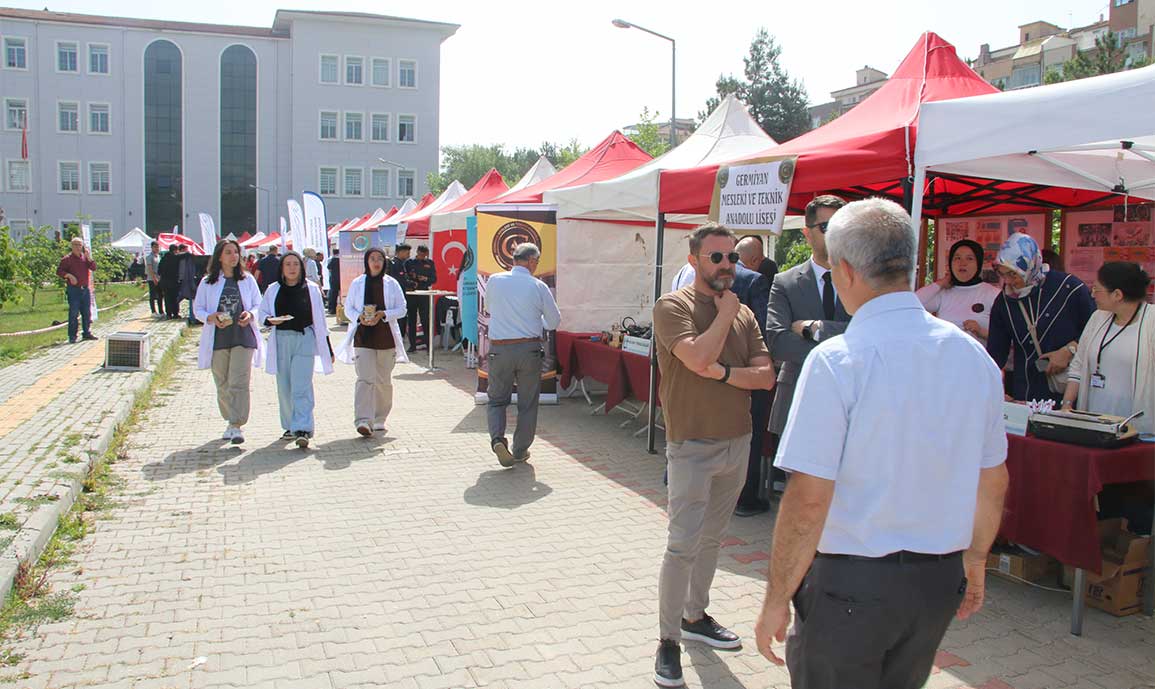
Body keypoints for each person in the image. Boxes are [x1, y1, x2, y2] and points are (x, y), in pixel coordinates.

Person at [754, 198, 1009, 689]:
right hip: (935, 580)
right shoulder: (971, 356)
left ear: (845, 270)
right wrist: (975, 558)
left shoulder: (837, 360)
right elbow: (992, 480)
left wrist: (776, 598)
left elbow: (808, 498)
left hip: (851, 585)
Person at [650, 223, 775, 688]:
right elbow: (696, 357)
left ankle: (695, 616)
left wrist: (722, 373)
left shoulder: (744, 313)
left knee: (711, 541)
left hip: (737, 441)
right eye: (716, 257)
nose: (726, 265)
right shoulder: (673, 307)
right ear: (694, 260)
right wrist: (724, 317)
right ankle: (667, 640)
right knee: (682, 545)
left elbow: (765, 376)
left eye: (732, 258)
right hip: (691, 444)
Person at [765, 195, 852, 494]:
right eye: (826, 226)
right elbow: (778, 341)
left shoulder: (863, 278)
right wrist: (846, 346)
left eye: (842, 225)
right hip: (799, 397)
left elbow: (872, 331)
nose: (836, 233)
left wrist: (814, 329)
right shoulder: (785, 282)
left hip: (852, 401)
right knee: (802, 498)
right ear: (807, 233)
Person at [986, 233, 1095, 402]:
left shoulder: (1068, 288)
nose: (1008, 281)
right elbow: (996, 352)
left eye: (1013, 273)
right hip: (1027, 388)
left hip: (1071, 386)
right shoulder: (1004, 301)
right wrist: (991, 388)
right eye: (1002, 273)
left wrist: (1069, 350)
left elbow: (1095, 329)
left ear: (1031, 265)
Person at [484, 243, 562, 467]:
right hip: (529, 349)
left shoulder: (495, 280)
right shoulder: (538, 286)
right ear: (531, 261)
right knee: (527, 403)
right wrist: (539, 321)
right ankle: (520, 450)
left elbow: (489, 308)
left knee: (497, 400)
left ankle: (498, 439)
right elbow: (554, 321)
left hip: (500, 349)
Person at [1062, 262, 1153, 433]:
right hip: (1094, 424)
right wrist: (1067, 404)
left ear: (1117, 294)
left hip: (1136, 429)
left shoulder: (1151, 322)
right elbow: (1078, 366)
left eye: (1097, 289)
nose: (1092, 294)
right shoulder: (1098, 317)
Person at [259, 251, 333, 448]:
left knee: (302, 385)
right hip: (281, 339)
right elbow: (262, 313)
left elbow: (321, 321)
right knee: (284, 386)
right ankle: (289, 425)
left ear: (301, 267)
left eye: (295, 264)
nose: (292, 268)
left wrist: (327, 346)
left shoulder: (311, 289)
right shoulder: (273, 289)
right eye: (288, 264)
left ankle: (303, 427)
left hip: (304, 338)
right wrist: (269, 320)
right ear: (282, 268)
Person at [192, 240, 263, 444]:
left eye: (236, 252)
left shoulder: (247, 279)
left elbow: (259, 304)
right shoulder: (208, 282)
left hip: (243, 336)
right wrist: (210, 317)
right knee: (222, 382)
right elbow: (198, 309)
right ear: (219, 257)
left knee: (238, 381)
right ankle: (230, 418)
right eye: (229, 252)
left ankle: (236, 424)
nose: (234, 256)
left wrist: (250, 314)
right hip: (218, 338)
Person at [338, 247, 408, 437]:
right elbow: (348, 308)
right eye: (372, 259)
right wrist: (359, 317)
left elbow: (402, 309)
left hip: (385, 337)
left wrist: (384, 314)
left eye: (379, 259)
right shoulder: (357, 283)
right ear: (367, 262)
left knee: (383, 380)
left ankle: (379, 417)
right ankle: (363, 420)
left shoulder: (392, 283)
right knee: (365, 379)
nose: (376, 262)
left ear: (384, 262)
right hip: (363, 337)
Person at [915, 239, 1001, 342]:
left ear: (979, 263)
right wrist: (941, 283)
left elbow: (1006, 338)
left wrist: (981, 332)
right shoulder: (943, 293)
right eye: (957, 258)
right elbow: (914, 303)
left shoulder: (993, 294)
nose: (962, 263)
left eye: (969, 258)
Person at [56, 237, 98, 343]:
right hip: (74, 290)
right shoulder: (67, 259)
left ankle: (86, 333)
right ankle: (72, 336)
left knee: (86, 312)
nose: (78, 247)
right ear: (71, 246)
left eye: (79, 245)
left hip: (85, 289)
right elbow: (59, 271)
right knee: (74, 313)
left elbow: (93, 268)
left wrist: (89, 258)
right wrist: (69, 275)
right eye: (75, 245)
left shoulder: (84, 258)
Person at [405, 245, 438, 352]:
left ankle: (428, 345)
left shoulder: (430, 263)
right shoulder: (409, 262)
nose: (423, 256)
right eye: (421, 254)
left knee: (425, 319)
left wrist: (425, 278)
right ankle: (412, 345)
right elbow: (405, 277)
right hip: (412, 293)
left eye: (425, 255)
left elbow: (434, 279)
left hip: (424, 293)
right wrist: (412, 279)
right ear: (417, 252)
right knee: (412, 320)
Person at [389, 243, 416, 343]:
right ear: (401, 252)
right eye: (407, 253)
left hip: (401, 294)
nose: (408, 255)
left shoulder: (402, 263)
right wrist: (412, 284)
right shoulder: (395, 264)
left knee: (403, 318)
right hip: (396, 296)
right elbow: (400, 280)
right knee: (400, 319)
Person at [158, 244, 183, 319]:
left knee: (167, 298)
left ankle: (168, 314)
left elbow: (159, 271)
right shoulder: (176, 258)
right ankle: (175, 313)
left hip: (164, 281)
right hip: (174, 281)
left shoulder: (163, 259)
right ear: (175, 250)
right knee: (174, 298)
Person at [145, 240, 163, 316]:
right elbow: (150, 268)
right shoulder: (149, 257)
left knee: (160, 295)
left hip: (159, 278)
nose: (157, 248)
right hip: (152, 278)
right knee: (153, 295)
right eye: (155, 247)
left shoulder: (159, 256)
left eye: (158, 247)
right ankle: (153, 311)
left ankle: (161, 311)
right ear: (152, 248)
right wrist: (154, 278)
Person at [327, 249, 341, 315]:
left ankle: (333, 309)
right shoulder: (341, 259)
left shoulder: (333, 259)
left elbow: (328, 267)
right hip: (341, 279)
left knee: (333, 295)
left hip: (334, 279)